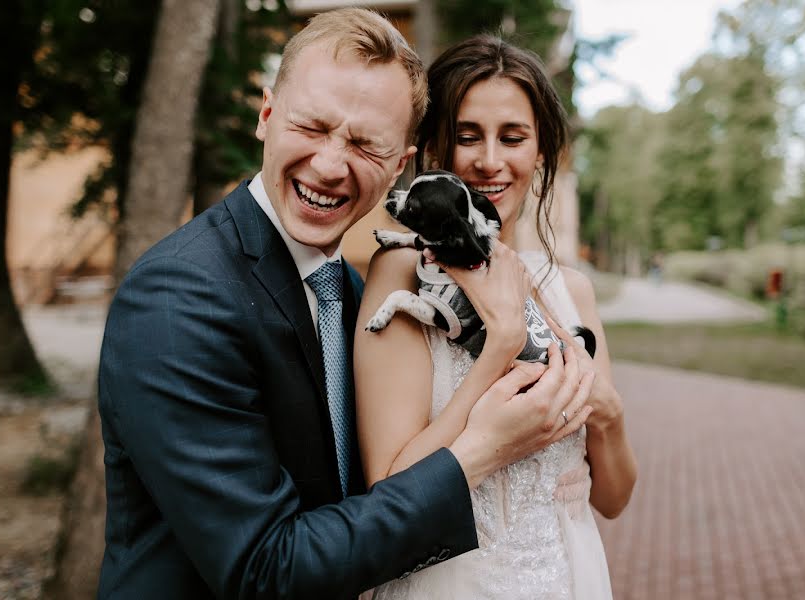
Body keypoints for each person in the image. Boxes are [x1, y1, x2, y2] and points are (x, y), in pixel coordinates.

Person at [97, 10, 592, 600]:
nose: (331, 166)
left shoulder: (352, 291)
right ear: (267, 114)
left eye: (364, 143)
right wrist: (482, 450)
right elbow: (265, 569)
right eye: (311, 126)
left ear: (399, 166)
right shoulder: (180, 298)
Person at [356, 35, 638, 599]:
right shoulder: (404, 274)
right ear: (436, 149)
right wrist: (500, 349)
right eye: (468, 136)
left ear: (540, 153)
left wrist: (608, 418)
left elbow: (611, 499)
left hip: (570, 576)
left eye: (513, 138)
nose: (489, 160)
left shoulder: (571, 292)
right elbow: (389, 489)